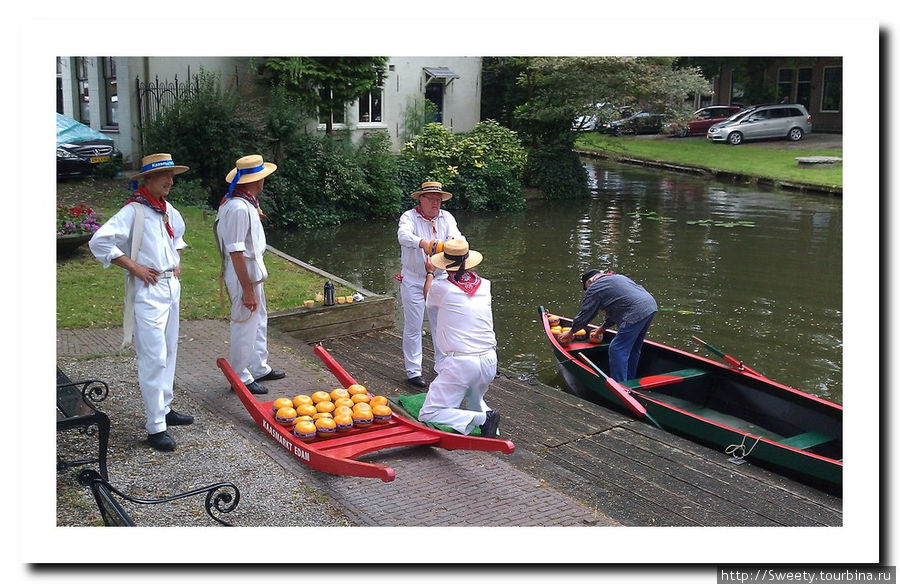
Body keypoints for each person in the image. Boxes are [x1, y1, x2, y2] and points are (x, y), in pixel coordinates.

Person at [88, 153, 194, 452]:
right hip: (148, 290)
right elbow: (100, 242)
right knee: (153, 355)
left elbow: (178, 239)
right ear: (148, 179)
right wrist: (134, 267)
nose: (171, 181)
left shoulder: (167, 210)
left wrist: (175, 262)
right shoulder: (134, 211)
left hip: (169, 286)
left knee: (170, 349)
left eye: (172, 176)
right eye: (165, 176)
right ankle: (155, 425)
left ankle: (165, 406)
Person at [216, 154, 285, 395]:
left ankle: (258, 366)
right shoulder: (237, 207)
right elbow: (235, 251)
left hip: (252, 272)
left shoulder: (245, 203)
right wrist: (246, 289)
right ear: (256, 181)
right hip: (243, 273)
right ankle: (241, 375)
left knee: (259, 319)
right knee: (245, 322)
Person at [418, 239, 499, 438]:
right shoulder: (485, 286)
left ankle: (483, 420)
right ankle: (489, 421)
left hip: (462, 363)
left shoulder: (441, 287)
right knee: (474, 396)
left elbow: (428, 297)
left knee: (429, 412)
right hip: (490, 360)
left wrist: (430, 272)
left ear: (444, 263)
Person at [396, 181, 465, 388]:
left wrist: (454, 245)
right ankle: (413, 371)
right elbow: (403, 236)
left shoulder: (447, 218)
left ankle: (442, 366)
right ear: (421, 200)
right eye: (432, 199)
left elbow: (457, 237)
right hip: (413, 278)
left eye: (439, 199)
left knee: (441, 324)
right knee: (413, 326)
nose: (436, 203)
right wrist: (424, 243)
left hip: (441, 278)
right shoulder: (409, 217)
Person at [557, 270, 658, 383]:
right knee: (633, 347)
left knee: (616, 349)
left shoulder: (594, 287)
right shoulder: (617, 278)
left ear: (590, 282)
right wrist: (602, 328)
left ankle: (621, 386)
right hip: (650, 305)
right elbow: (616, 309)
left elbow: (586, 314)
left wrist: (571, 332)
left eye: (587, 288)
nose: (588, 291)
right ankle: (629, 380)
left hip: (635, 311)